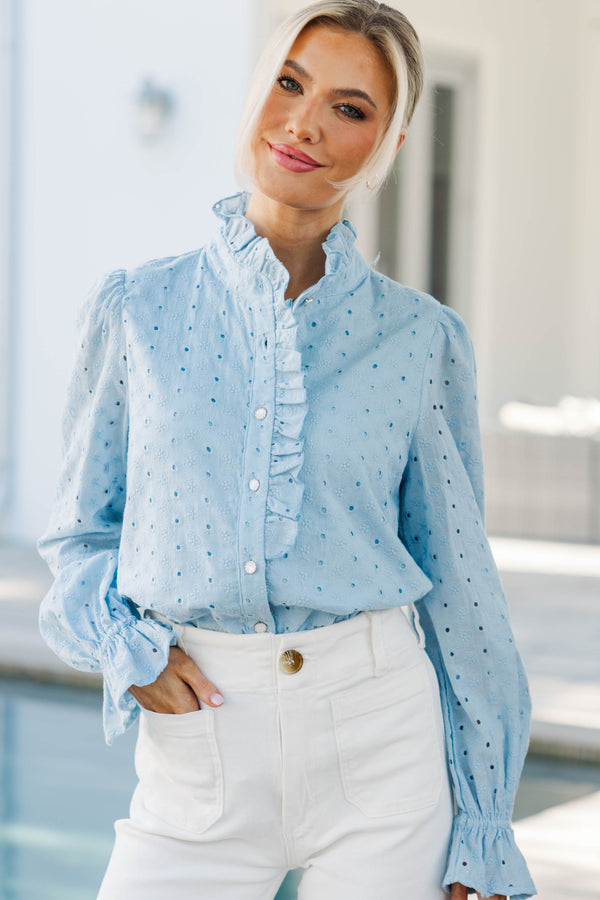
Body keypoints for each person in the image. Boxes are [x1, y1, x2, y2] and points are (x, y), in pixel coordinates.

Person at [37, 2, 537, 898]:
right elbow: (80, 537)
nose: (304, 124)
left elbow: (461, 590)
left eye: (350, 108)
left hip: (383, 747)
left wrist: (484, 827)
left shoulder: (421, 340)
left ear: (387, 143)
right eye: (289, 84)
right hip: (199, 751)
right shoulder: (135, 312)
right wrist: (128, 651)